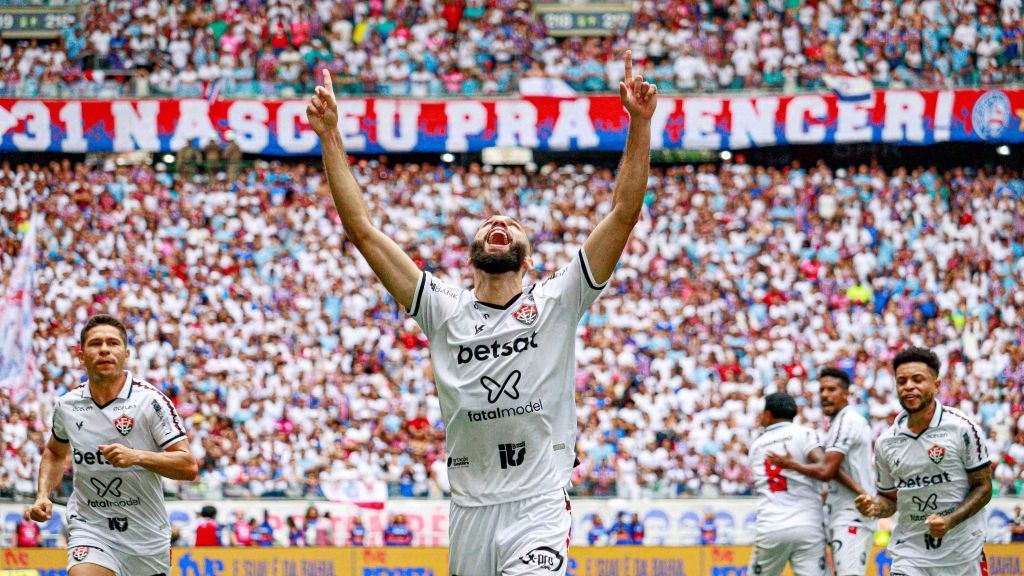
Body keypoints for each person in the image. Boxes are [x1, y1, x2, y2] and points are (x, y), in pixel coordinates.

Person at [305, 49, 658, 576]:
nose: (501, 222)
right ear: (470, 253)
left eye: (513, 224)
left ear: (528, 258)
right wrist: (331, 135)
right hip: (470, 510)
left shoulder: (558, 300)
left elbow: (624, 212)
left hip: (539, 503)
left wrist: (640, 124)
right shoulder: (440, 308)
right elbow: (362, 230)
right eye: (491, 223)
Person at [30, 314, 198, 575]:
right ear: (81, 354)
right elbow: (54, 451)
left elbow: (188, 466)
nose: (105, 349)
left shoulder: (151, 401)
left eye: (113, 343)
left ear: (126, 353)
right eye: (95, 344)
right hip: (91, 527)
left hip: (146, 536)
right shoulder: (68, 405)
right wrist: (43, 495)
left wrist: (136, 457)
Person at [856, 347, 992, 576]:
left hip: (962, 552)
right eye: (902, 381)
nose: (909, 386)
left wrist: (949, 521)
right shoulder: (886, 442)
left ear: (936, 385)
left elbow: (984, 487)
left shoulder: (962, 428)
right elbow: (889, 500)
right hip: (910, 554)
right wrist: (874, 507)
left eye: (917, 379)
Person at [766, 367, 876, 576]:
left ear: (845, 393)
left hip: (852, 515)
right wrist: (859, 490)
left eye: (831, 389)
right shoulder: (839, 422)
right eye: (822, 390)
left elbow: (827, 470)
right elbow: (833, 470)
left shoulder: (847, 421)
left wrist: (792, 465)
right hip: (846, 511)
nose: (825, 395)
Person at [747, 392, 828, 576]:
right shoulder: (804, 434)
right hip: (808, 524)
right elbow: (824, 466)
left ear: (768, 415)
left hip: (771, 524)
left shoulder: (757, 446)